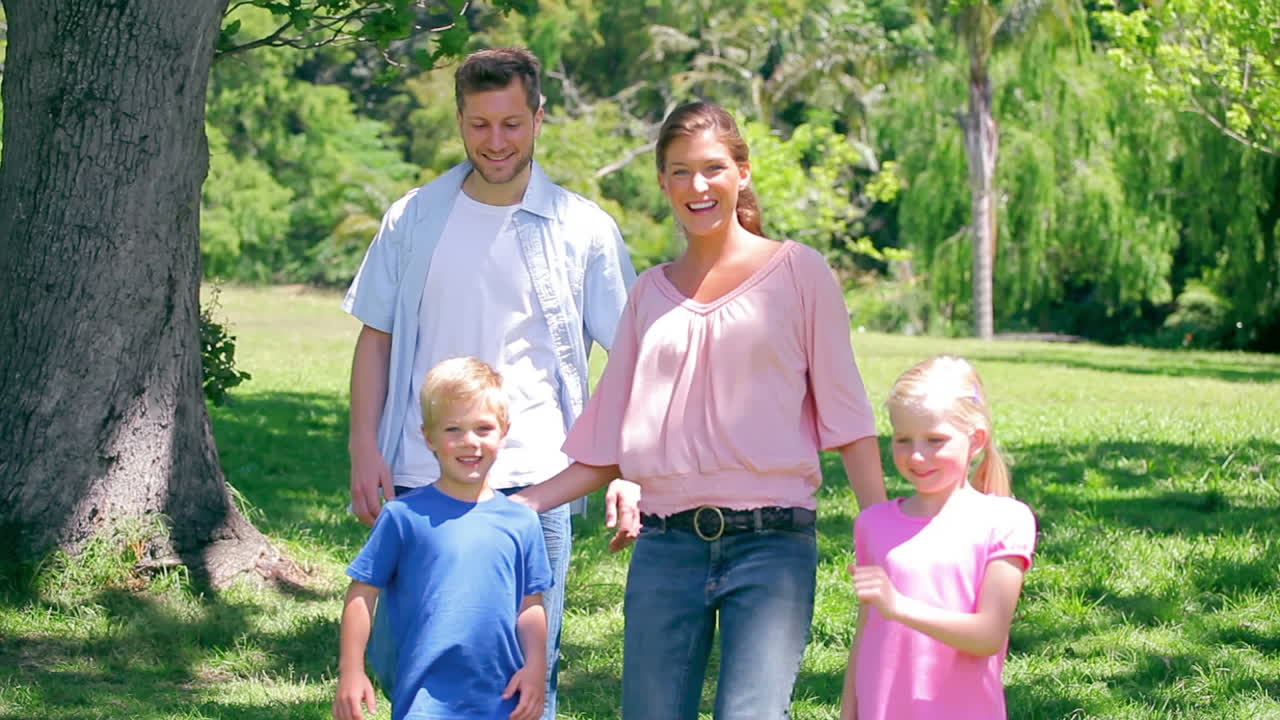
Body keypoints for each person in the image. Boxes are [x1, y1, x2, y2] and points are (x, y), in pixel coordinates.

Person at [516, 100, 886, 719]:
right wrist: (515, 507)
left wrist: (885, 534)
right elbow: (606, 445)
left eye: (713, 168)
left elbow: (850, 421)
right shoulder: (647, 296)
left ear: (743, 172)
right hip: (666, 549)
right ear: (662, 182)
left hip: (773, 548)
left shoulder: (799, 273)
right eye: (681, 172)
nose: (698, 186)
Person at [341, 47, 638, 719]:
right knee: (405, 665)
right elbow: (376, 336)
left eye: (511, 123)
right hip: (420, 476)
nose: (496, 141)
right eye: (480, 124)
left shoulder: (582, 227)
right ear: (459, 121)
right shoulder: (412, 217)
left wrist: (625, 469)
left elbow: (630, 363)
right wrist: (365, 445)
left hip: (534, 484)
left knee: (526, 678)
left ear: (539, 117)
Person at [334, 357, 551, 720]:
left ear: (504, 431)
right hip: (425, 700)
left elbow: (531, 605)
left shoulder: (522, 521)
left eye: (483, 428)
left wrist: (535, 670)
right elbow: (362, 593)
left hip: (503, 698)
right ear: (429, 437)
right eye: (453, 430)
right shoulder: (403, 517)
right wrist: (352, 671)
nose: (470, 442)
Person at [839, 355, 1038, 720]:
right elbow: (867, 631)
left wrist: (899, 606)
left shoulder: (1005, 520)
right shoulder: (873, 523)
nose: (917, 455)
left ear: (975, 440)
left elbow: (989, 634)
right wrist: (849, 712)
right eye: (903, 439)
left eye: (935, 440)